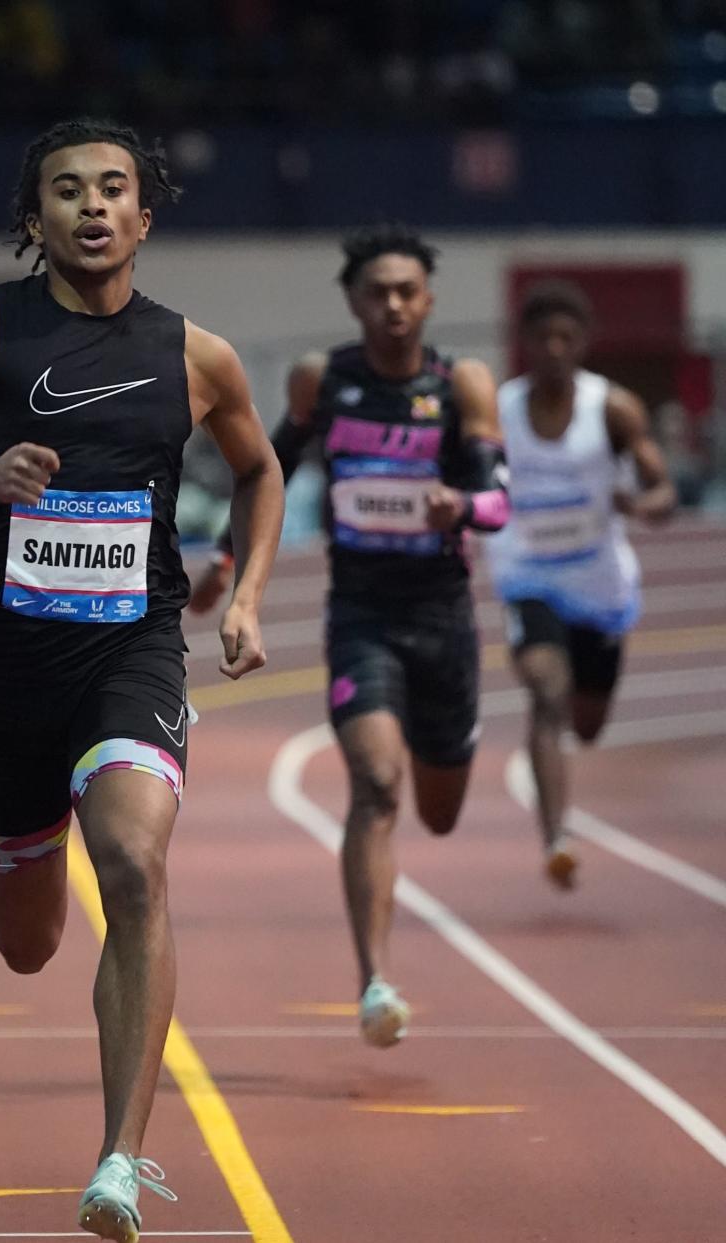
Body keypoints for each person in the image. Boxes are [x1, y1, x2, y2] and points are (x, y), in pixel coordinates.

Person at [0, 117, 284, 1243]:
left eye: (112, 189)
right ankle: (15, 845)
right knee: (28, 941)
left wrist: (242, 594)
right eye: (65, 190)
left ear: (144, 216)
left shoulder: (197, 357)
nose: (91, 206)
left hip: (128, 647)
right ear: (33, 219)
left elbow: (259, 467)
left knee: (136, 867)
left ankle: (119, 1158)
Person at [190, 225, 508, 1049]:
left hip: (443, 621)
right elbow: (271, 467)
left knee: (437, 811)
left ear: (428, 300)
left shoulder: (463, 383)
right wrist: (228, 557)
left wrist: (460, 508)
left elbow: (499, 499)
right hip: (362, 616)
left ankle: (381, 955)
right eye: (379, 291)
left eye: (408, 291)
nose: (394, 304)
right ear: (354, 301)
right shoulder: (322, 380)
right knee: (375, 783)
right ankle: (373, 980)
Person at [483, 281, 676, 888]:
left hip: (599, 583)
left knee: (587, 722)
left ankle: (560, 811)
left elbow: (663, 486)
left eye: (567, 337)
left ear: (584, 343)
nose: (555, 348)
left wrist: (647, 506)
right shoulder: (499, 411)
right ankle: (556, 838)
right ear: (525, 345)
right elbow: (471, 479)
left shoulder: (613, 409)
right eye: (543, 337)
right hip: (528, 575)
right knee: (545, 691)